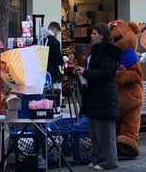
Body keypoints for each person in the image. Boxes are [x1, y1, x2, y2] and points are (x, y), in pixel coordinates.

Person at [74, 22, 121, 171]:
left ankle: (110, 161)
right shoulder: (94, 51)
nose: (92, 36)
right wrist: (82, 73)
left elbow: (106, 73)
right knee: (95, 131)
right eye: (92, 33)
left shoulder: (107, 51)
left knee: (105, 132)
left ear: (102, 35)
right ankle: (100, 158)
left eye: (95, 33)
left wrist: (86, 72)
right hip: (93, 94)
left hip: (105, 95)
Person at [45, 21, 65, 89]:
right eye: (58, 32)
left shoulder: (42, 39)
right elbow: (58, 57)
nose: (57, 34)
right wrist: (62, 62)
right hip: (53, 72)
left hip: (43, 72)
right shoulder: (55, 42)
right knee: (55, 93)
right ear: (55, 30)